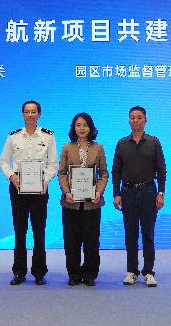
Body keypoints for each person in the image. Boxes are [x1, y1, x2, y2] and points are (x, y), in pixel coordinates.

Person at [0, 100, 58, 286]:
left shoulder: (48, 136)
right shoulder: (13, 137)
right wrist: (11, 176)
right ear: (22, 114)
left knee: (39, 231)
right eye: (27, 111)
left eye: (33, 111)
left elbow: (53, 164)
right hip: (18, 188)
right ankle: (19, 272)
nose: (30, 114)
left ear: (39, 114)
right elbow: (3, 161)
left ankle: (39, 272)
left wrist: (45, 180)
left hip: (40, 189)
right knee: (20, 230)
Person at [111, 105, 166, 288]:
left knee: (148, 234)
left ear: (145, 120)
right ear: (129, 120)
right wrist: (116, 194)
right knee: (131, 234)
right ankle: (132, 271)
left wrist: (161, 193)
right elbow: (116, 171)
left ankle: (148, 272)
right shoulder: (121, 143)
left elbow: (161, 170)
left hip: (148, 192)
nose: (136, 120)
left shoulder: (154, 142)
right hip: (127, 193)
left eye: (139, 117)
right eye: (132, 117)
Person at [57, 112, 109, 286]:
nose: (82, 128)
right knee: (71, 240)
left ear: (90, 128)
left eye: (85, 125)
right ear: (74, 128)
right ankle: (74, 274)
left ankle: (89, 274)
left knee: (91, 240)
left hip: (92, 203)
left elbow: (104, 174)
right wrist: (66, 192)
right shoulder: (66, 147)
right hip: (70, 203)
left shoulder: (98, 147)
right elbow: (61, 173)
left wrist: (99, 192)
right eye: (78, 125)